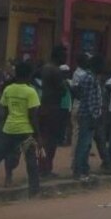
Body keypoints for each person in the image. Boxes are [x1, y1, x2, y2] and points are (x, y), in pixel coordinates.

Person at [0, 61, 41, 198]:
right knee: (31, 160)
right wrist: (37, 134)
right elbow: (32, 116)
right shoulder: (31, 91)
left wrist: (6, 125)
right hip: (25, 131)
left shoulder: (8, 89)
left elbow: (6, 111)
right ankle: (34, 190)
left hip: (9, 129)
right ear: (29, 75)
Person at [38, 45, 68, 177]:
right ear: (58, 55)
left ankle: (42, 167)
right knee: (51, 141)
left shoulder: (45, 67)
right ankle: (46, 168)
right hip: (53, 108)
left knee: (44, 139)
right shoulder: (55, 71)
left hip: (44, 106)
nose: (65, 57)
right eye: (63, 55)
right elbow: (62, 91)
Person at [71, 54, 102, 182]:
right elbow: (90, 100)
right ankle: (78, 171)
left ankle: (84, 169)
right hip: (88, 115)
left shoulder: (90, 77)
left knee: (86, 144)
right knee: (83, 144)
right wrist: (94, 116)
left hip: (88, 114)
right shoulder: (90, 79)